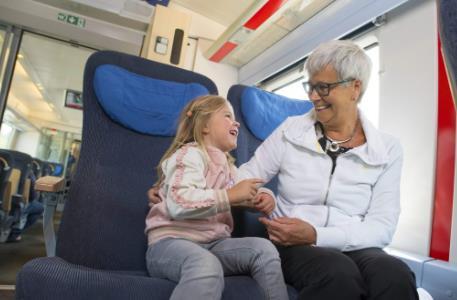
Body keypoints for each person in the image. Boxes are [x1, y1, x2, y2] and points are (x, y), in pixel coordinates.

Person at [148, 40, 418, 300]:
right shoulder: (291, 130)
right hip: (292, 241)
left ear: (354, 88)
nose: (313, 96)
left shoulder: (387, 149)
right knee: (337, 274)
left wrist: (318, 234)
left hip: (355, 243)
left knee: (396, 276)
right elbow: (244, 178)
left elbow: (382, 227)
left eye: (323, 87)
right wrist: (172, 186)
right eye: (310, 86)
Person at [144, 95, 288, 300]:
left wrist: (265, 197)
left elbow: (247, 187)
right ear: (204, 126)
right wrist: (230, 195)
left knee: (264, 249)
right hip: (171, 243)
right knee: (205, 265)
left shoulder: (229, 168)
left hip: (214, 244)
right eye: (227, 116)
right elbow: (179, 203)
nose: (236, 122)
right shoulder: (188, 155)